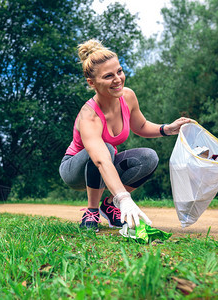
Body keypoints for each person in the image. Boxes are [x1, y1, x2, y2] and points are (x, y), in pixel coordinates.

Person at [59, 39, 193, 231]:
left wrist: (166, 129)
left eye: (119, 72)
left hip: (106, 161)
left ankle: (109, 205)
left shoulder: (127, 96)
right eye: (108, 76)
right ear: (92, 82)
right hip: (74, 170)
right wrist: (125, 198)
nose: (117, 79)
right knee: (104, 149)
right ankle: (92, 212)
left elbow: (141, 125)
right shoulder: (89, 116)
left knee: (148, 157)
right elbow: (100, 161)